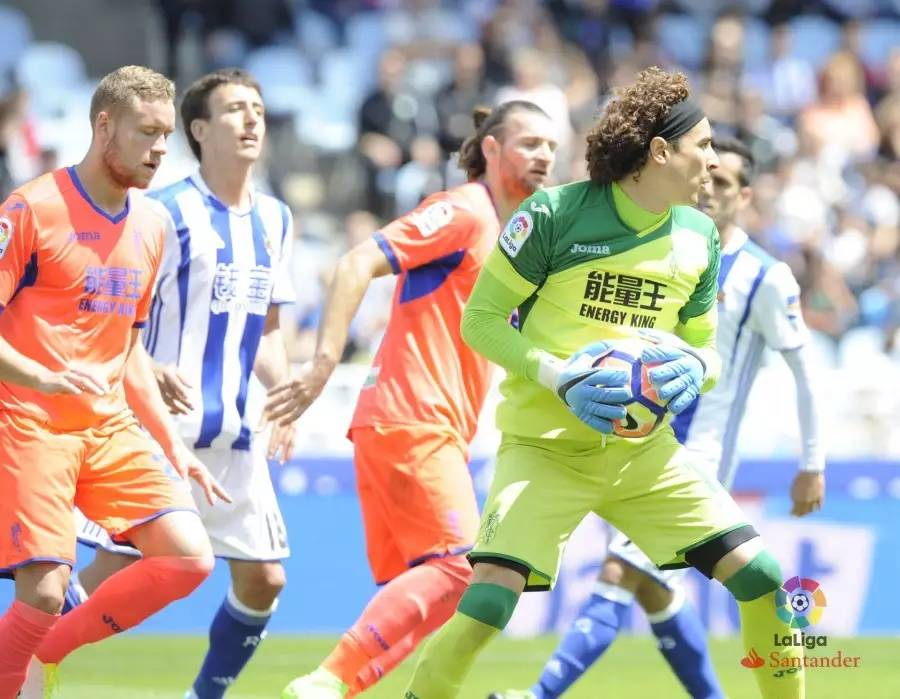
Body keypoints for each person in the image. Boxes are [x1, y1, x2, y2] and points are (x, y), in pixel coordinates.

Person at [403, 67, 806, 699]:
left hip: (644, 455)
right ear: (660, 151)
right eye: (703, 145)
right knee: (487, 605)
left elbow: (707, 350)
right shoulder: (553, 214)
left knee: (763, 578)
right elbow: (479, 321)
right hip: (544, 449)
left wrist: (694, 370)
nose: (712, 159)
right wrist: (560, 376)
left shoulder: (699, 236)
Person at [492, 136, 826, 699]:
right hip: (632, 444)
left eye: (725, 183)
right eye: (708, 178)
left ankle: (538, 695)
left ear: (745, 196)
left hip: (698, 454)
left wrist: (812, 461)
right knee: (652, 588)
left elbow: (805, 370)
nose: (710, 190)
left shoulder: (765, 277)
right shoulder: (667, 248)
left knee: (620, 572)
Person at [262, 100, 558, 699]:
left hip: (416, 423)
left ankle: (332, 690)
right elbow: (354, 264)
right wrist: (322, 364)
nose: (545, 155)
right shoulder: (464, 211)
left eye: (550, 145)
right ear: (492, 148)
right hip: (412, 415)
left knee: (434, 598)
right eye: (529, 143)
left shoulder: (515, 237)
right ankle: (323, 680)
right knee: (460, 570)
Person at [64, 68, 297, 699]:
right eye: (235, 110)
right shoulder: (162, 212)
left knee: (264, 579)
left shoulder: (275, 219)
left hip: (236, 434)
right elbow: (112, 310)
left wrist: (286, 394)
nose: (251, 120)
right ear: (198, 129)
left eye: (258, 109)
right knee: (113, 572)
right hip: (161, 432)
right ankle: (28, 655)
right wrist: (148, 364)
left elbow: (267, 330)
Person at [0, 65, 230, 698]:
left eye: (166, 136)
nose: (160, 149)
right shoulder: (31, 208)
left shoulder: (152, 225)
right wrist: (44, 376)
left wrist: (174, 446)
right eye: (146, 133)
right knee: (44, 592)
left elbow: (128, 351)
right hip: (29, 421)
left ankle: (43, 650)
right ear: (104, 126)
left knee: (189, 556)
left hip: (107, 427)